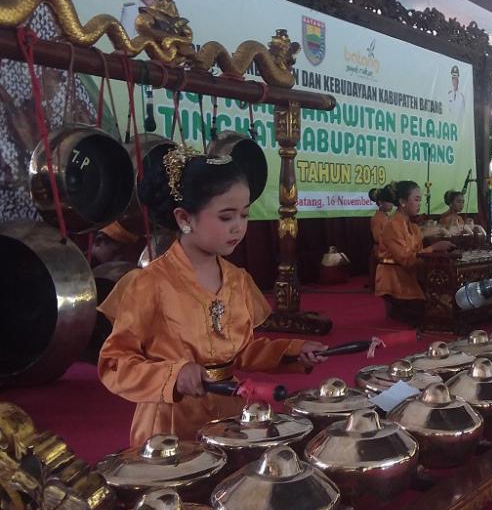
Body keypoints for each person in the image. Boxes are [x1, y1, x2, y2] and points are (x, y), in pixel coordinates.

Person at [98, 145, 328, 447]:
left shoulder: (238, 280)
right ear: (184, 218)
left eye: (244, 215)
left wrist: (293, 351)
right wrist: (174, 375)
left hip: (232, 412)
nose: (238, 227)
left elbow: (242, 352)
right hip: (171, 424)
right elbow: (114, 363)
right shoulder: (150, 283)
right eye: (225, 217)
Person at [375, 180, 454, 322]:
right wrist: (434, 248)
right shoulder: (392, 225)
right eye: (416, 200)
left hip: (409, 277)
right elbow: (406, 260)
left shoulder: (412, 226)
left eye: (420, 200)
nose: (419, 203)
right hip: (394, 279)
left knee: (445, 305)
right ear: (402, 202)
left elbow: (418, 254)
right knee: (431, 314)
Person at [368, 185, 395, 292]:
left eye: (392, 202)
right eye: (389, 202)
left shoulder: (387, 216)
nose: (391, 204)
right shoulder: (377, 218)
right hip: (381, 249)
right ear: (380, 202)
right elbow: (377, 237)